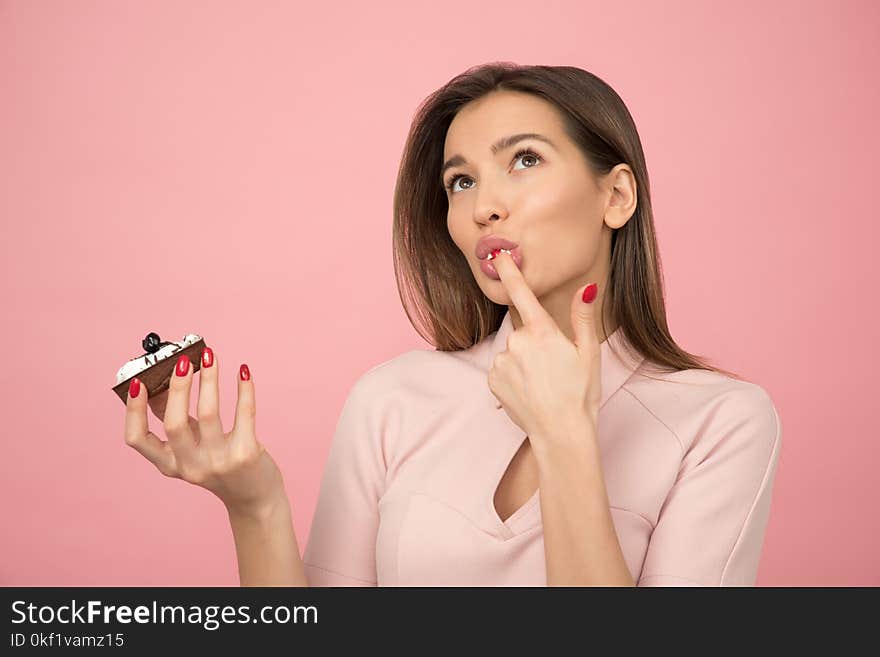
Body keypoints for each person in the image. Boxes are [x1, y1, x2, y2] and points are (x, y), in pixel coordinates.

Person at [122, 62, 782, 587]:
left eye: (524, 160)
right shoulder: (393, 398)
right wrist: (256, 505)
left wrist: (565, 435)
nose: (482, 208)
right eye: (460, 182)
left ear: (616, 196)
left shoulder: (722, 421)